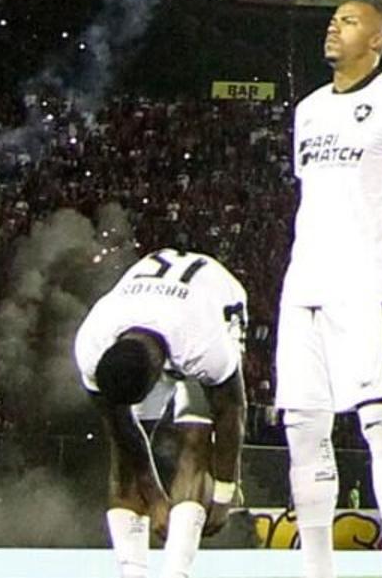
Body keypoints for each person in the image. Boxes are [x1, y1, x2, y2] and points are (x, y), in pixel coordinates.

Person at [280, 0, 382, 578]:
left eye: (349, 21)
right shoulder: (307, 109)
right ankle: (318, 569)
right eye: (334, 19)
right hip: (304, 285)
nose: (334, 26)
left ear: (378, 39)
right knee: (304, 427)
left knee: (381, 423)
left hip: (365, 281)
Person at [75, 247, 254, 578]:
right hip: (157, 315)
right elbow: (121, 428)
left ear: (160, 371)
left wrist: (226, 489)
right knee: (123, 456)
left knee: (197, 438)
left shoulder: (204, 344)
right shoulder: (92, 344)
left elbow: (231, 410)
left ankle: (176, 573)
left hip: (215, 305)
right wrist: (155, 495)